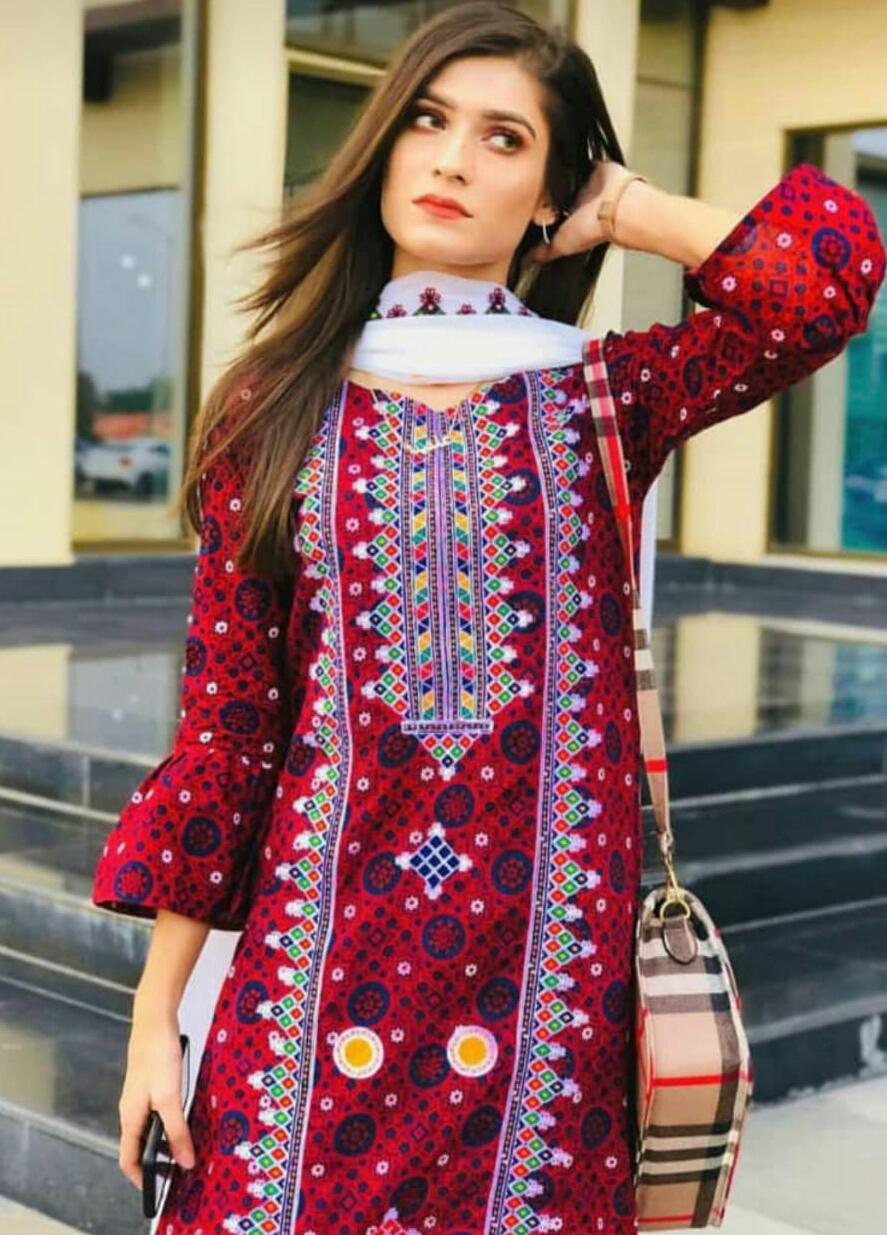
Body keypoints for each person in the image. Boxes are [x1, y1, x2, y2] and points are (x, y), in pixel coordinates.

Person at [90, 3, 886, 1233]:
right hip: (310, 984)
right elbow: (227, 735)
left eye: (503, 138)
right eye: (425, 121)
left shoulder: (603, 393)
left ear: (550, 190)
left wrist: (626, 208)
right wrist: (154, 1022)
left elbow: (817, 284)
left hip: (544, 996)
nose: (453, 160)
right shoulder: (273, 405)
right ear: (381, 151)